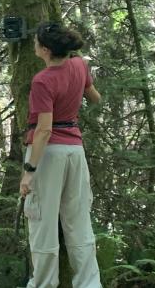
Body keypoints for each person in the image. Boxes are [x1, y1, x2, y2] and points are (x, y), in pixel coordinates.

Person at [20, 21, 102, 287]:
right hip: (75, 151)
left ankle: (43, 284)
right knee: (78, 220)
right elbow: (95, 97)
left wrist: (28, 172)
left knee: (42, 221)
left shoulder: (42, 81)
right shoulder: (79, 64)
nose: (34, 45)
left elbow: (43, 131)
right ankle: (89, 284)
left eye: (36, 43)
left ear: (44, 50)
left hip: (49, 154)